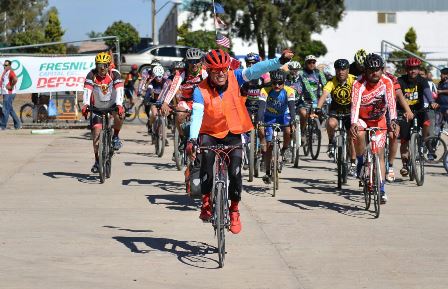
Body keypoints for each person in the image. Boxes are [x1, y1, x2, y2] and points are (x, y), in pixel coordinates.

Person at [186, 48, 294, 234]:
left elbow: (256, 69)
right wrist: (193, 138)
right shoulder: (200, 90)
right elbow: (197, 114)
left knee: (235, 172)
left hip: (233, 130)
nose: (220, 73)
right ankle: (206, 201)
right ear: (209, 70)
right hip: (209, 132)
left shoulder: (235, 77)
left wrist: (279, 61)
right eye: (215, 70)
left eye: (223, 69)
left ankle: (234, 210)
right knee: (206, 164)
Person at [350, 53, 399, 204]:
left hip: (379, 121)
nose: (374, 73)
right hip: (362, 119)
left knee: (379, 154)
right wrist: (353, 123)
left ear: (381, 69)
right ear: (365, 70)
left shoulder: (387, 82)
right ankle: (359, 160)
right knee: (357, 134)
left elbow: (391, 103)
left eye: (377, 69)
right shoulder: (358, 83)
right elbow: (355, 105)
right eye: (371, 70)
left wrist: (393, 121)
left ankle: (382, 189)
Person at [81, 52, 125, 173]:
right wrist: (85, 104)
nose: (101, 68)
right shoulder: (91, 74)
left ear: (109, 65)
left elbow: (120, 90)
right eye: (99, 65)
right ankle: (97, 161)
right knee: (96, 132)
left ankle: (115, 136)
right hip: (97, 107)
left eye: (104, 65)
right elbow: (87, 90)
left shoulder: (114, 74)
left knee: (121, 114)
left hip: (112, 104)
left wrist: (120, 105)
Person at [313, 59, 357, 175]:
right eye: (338, 69)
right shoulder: (331, 82)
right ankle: (331, 142)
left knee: (352, 137)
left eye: (343, 69)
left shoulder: (354, 80)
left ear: (348, 70)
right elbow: (324, 95)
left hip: (350, 111)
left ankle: (353, 163)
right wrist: (318, 108)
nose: (340, 72)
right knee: (331, 124)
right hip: (336, 109)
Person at [396, 57, 438, 175]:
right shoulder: (400, 80)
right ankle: (405, 164)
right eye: (410, 69)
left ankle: (423, 141)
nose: (413, 71)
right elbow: (397, 96)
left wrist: (431, 102)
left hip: (419, 110)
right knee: (404, 140)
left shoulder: (422, 80)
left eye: (415, 69)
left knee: (426, 122)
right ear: (406, 70)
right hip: (404, 112)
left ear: (419, 69)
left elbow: (427, 92)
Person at [257, 69, 296, 184]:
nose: (277, 85)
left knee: (288, 130)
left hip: (283, 115)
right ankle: (268, 172)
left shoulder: (289, 91)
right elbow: (261, 108)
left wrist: (293, 119)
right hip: (269, 116)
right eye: (274, 83)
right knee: (269, 144)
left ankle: (285, 149)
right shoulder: (265, 90)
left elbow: (292, 108)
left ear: (284, 82)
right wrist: (259, 120)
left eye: (280, 83)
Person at [161, 48, 207, 139]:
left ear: (201, 61)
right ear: (187, 62)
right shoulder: (181, 73)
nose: (194, 64)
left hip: (202, 102)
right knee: (179, 114)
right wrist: (165, 103)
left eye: (196, 61)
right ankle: (182, 138)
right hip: (186, 101)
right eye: (191, 61)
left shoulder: (205, 72)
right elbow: (173, 88)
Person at [296, 55, 327, 143]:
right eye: (309, 62)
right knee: (304, 114)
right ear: (306, 63)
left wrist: (327, 94)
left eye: (313, 62)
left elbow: (325, 84)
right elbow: (307, 86)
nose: (312, 64)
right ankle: (302, 131)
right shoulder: (302, 73)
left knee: (322, 114)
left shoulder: (319, 73)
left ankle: (315, 128)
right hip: (304, 99)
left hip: (317, 99)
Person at [0, 60, 21, 130]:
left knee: (5, 109)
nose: (4, 66)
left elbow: (15, 79)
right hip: (6, 93)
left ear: (9, 66)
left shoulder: (10, 71)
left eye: (6, 65)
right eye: (4, 65)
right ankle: (18, 125)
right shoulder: (5, 71)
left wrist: (11, 86)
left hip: (9, 93)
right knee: (10, 109)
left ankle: (2, 126)